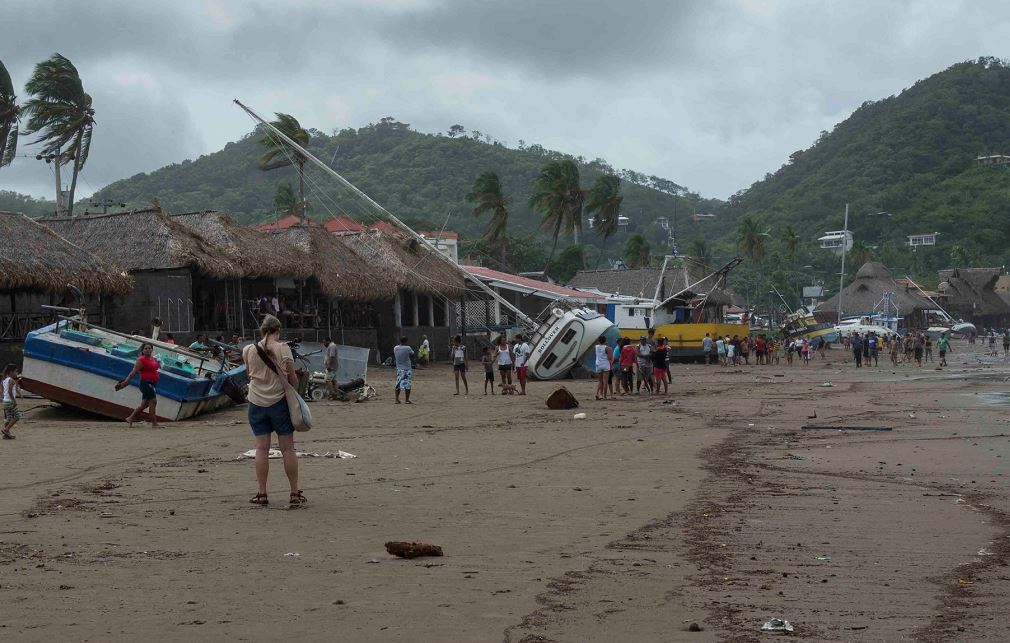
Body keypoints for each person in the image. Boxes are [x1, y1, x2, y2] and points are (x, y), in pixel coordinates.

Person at [241, 314, 304, 508]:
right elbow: (293, 379)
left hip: (256, 403)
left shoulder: (248, 350)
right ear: (278, 330)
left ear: (262, 330)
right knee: (287, 449)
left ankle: (262, 493)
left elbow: (249, 374)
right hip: (279, 403)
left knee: (261, 448)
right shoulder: (283, 349)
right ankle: (294, 493)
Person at [118, 343, 161, 428]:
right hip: (146, 383)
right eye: (146, 348)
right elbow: (133, 372)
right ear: (142, 350)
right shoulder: (141, 360)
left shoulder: (152, 358)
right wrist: (126, 382)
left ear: (152, 349)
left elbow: (154, 368)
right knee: (153, 401)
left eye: (149, 348)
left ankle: (130, 418)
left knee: (144, 405)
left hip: (152, 383)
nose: (148, 350)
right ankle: (154, 424)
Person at [2, 364, 22, 439]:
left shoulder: (5, 380)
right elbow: (10, 391)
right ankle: (6, 429)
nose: (17, 373)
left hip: (5, 401)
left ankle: (6, 435)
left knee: (9, 418)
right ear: (11, 372)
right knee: (17, 416)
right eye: (16, 371)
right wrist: (14, 401)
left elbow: (6, 390)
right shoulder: (11, 380)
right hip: (10, 401)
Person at [393, 337, 415, 403]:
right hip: (407, 368)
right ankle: (407, 400)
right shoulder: (408, 348)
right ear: (406, 341)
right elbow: (413, 354)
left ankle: (397, 399)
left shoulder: (395, 348)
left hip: (399, 368)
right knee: (407, 385)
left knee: (398, 384)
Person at [594, 335, 612, 400]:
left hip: (598, 364)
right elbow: (609, 358)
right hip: (605, 364)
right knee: (605, 381)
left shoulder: (596, 347)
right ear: (605, 340)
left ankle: (599, 394)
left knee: (600, 381)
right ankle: (604, 396)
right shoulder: (607, 348)